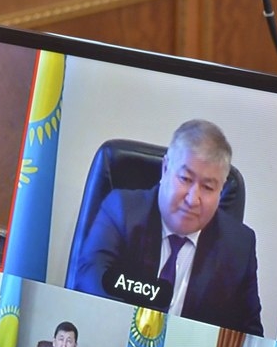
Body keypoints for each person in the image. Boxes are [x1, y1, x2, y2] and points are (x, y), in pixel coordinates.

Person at [72, 119, 263, 336]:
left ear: (221, 189)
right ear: (165, 169)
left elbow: (250, 334)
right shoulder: (120, 212)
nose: (193, 199)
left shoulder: (240, 246)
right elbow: (89, 284)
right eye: (185, 179)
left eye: (208, 187)